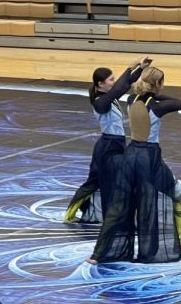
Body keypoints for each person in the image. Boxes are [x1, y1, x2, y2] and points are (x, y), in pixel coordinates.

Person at [89, 67, 181, 263]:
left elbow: (167, 100)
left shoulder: (131, 100)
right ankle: (179, 242)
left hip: (130, 156)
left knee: (120, 205)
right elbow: (173, 104)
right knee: (180, 196)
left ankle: (99, 254)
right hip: (149, 158)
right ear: (158, 85)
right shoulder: (158, 107)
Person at [64, 58, 151, 223]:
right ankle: (77, 213)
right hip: (108, 146)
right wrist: (129, 68)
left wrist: (141, 68)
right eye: (110, 80)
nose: (113, 82)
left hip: (116, 144)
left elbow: (122, 85)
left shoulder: (109, 97)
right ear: (100, 84)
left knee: (99, 180)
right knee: (101, 182)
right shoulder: (100, 102)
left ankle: (110, 213)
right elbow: (119, 88)